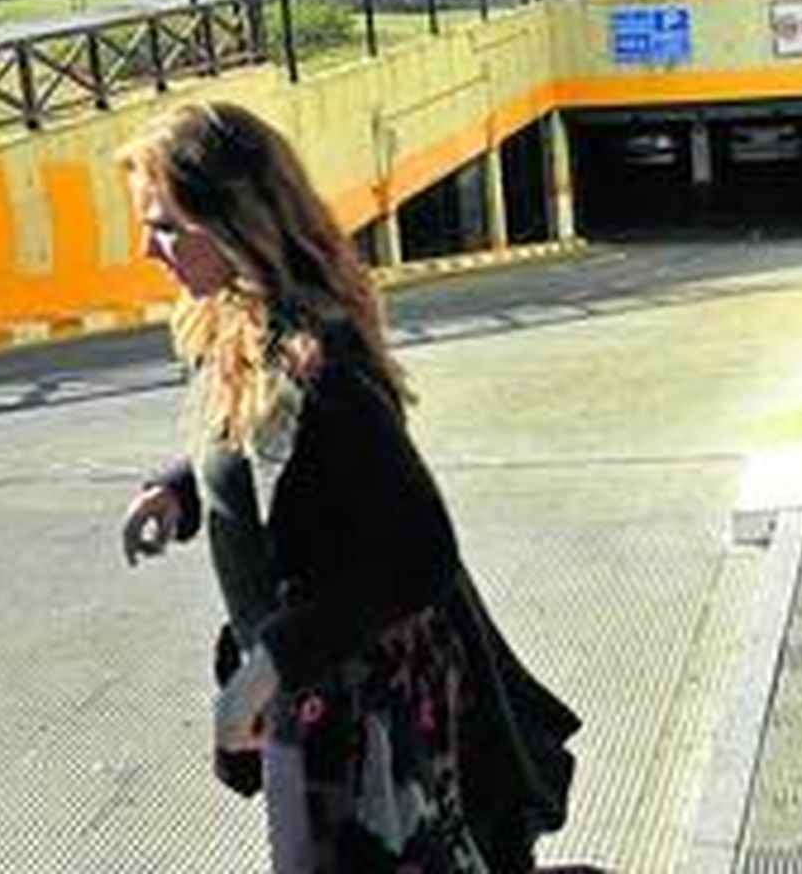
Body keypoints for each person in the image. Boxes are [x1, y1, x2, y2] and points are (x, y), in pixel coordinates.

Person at [117, 101, 581, 873]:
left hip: (365, 713)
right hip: (316, 688)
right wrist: (180, 491)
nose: (147, 248)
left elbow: (420, 552)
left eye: (165, 225)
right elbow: (269, 454)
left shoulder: (316, 361)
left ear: (234, 223)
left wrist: (265, 668)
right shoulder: (239, 319)